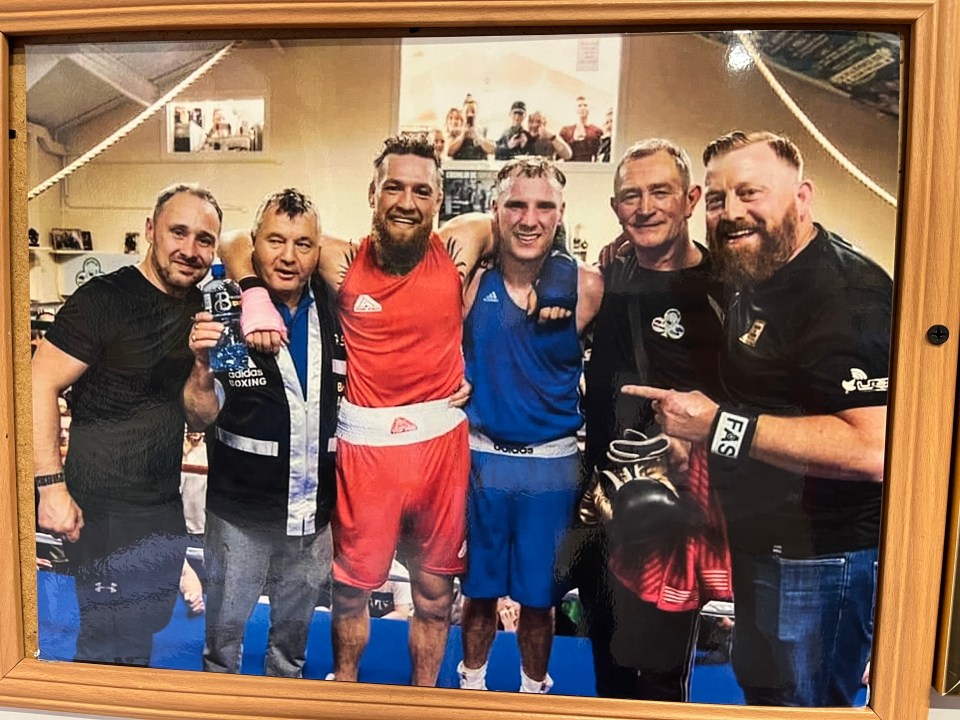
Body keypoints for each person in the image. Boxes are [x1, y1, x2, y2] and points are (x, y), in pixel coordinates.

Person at [219, 134, 499, 686]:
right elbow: (237, 239)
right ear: (372, 192)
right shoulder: (340, 260)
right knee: (351, 591)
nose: (406, 201)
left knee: (436, 593)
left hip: (441, 444)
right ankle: (344, 686)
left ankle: (424, 700)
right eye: (393, 187)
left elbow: (510, 228)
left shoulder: (460, 245)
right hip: (368, 451)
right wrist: (252, 292)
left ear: (439, 200)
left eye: (422, 190)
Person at [624, 130, 891, 707]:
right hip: (760, 549)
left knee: (806, 709)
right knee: (767, 703)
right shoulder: (754, 270)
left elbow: (874, 450)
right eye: (719, 200)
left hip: (820, 563)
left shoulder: (847, 292)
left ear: (802, 197)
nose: (732, 213)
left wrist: (717, 426)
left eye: (751, 193)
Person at [32, 183, 221, 666]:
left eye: (205, 239)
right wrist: (51, 489)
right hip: (104, 508)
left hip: (160, 506)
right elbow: (37, 384)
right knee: (105, 643)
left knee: (143, 634)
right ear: (150, 231)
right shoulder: (103, 299)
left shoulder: (197, 307)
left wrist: (203, 366)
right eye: (179, 232)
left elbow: (198, 414)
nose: (190, 249)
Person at [574, 139, 729, 701]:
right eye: (630, 196)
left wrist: (703, 442)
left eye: (660, 191)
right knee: (607, 668)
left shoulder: (727, 290)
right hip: (601, 502)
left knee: (661, 677)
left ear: (690, 199)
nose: (645, 207)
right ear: (615, 209)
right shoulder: (604, 281)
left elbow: (763, 399)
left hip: (676, 509)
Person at [183, 189, 345, 677]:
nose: (289, 257)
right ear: (255, 243)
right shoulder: (227, 310)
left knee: (291, 650)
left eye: (303, 244)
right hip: (240, 515)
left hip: (313, 518)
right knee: (223, 644)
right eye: (276, 240)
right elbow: (200, 416)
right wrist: (200, 367)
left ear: (318, 251)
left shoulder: (337, 307)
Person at [456, 157, 603, 694]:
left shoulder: (587, 286)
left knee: (539, 601)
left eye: (544, 206)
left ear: (562, 213)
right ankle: (472, 685)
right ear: (496, 210)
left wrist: (561, 271)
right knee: (478, 594)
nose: (529, 218)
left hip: (552, 469)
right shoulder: (471, 283)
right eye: (516, 204)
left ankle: (532, 690)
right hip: (481, 463)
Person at [447, 94, 495, 160]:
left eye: (473, 111)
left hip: (480, 168)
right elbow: (449, 152)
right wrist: (462, 135)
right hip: (459, 168)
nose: (470, 114)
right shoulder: (455, 131)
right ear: (462, 113)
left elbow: (492, 150)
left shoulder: (484, 130)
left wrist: (477, 136)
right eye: (467, 112)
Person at [559, 96, 604, 162]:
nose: (582, 108)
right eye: (579, 106)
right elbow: (560, 152)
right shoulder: (565, 131)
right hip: (569, 166)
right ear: (575, 109)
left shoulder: (597, 131)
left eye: (585, 105)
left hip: (589, 166)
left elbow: (598, 153)